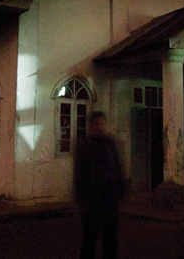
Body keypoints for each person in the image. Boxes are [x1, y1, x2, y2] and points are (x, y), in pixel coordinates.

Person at [74, 111, 125, 259]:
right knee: (89, 239)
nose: (100, 126)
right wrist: (82, 198)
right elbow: (80, 174)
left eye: (102, 123)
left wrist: (119, 190)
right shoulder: (85, 146)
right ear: (91, 126)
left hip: (109, 200)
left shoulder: (110, 143)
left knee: (110, 239)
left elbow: (117, 167)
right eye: (97, 123)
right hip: (92, 202)